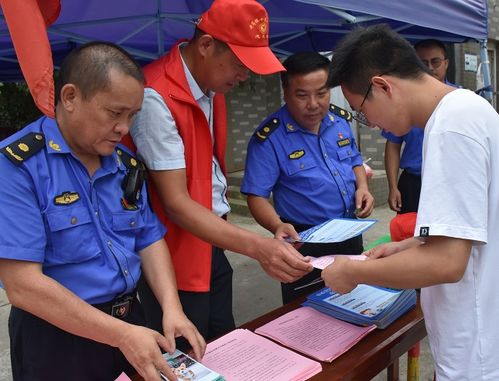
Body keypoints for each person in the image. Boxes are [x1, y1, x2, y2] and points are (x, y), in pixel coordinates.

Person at [0, 42, 205, 381]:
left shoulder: (124, 164)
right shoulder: (18, 166)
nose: (124, 128)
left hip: (131, 322)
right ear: (70, 97)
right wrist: (120, 334)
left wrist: (172, 307)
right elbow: (22, 284)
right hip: (58, 336)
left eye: (132, 116)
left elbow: (148, 238)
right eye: (114, 113)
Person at [128, 0, 312, 344]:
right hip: (175, 256)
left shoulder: (211, 88)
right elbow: (177, 203)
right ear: (207, 45)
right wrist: (259, 247)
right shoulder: (155, 97)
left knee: (223, 345)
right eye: (240, 63)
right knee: (186, 354)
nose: (244, 76)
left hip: (211, 241)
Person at [323, 24, 499, 380]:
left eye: (361, 111)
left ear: (384, 86)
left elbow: (448, 262)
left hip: (475, 351)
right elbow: (472, 229)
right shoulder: (467, 110)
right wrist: (412, 245)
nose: (370, 124)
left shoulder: (451, 127)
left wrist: (353, 272)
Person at [240, 52, 374, 304]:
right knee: (307, 311)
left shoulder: (340, 121)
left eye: (321, 93)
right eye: (302, 95)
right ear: (285, 92)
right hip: (304, 240)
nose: (313, 104)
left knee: (355, 303)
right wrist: (277, 225)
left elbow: (355, 160)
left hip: (349, 233)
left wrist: (363, 187)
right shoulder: (269, 138)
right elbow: (256, 196)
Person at [382, 39, 458, 213]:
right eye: (423, 63)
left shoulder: (459, 99)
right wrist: (393, 186)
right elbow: (393, 145)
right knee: (408, 234)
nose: (430, 68)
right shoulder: (400, 101)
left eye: (435, 62)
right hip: (413, 184)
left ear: (446, 63)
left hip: (449, 182)